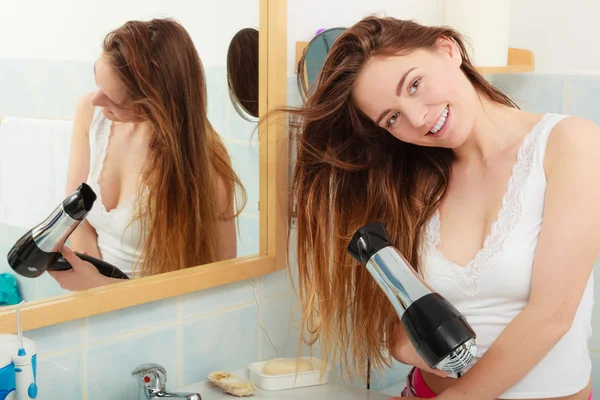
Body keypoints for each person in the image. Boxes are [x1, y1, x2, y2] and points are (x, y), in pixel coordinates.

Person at [286, 16, 599, 400]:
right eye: (393, 117)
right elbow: (401, 315)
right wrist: (402, 344)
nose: (418, 119)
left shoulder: (571, 144)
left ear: (448, 49)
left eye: (414, 84)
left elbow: (553, 316)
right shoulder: (416, 182)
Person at [49, 18, 246, 291]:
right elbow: (75, 216)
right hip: (94, 306)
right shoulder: (91, 115)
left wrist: (100, 288)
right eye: (98, 82)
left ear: (154, 103)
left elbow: (217, 284)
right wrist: (92, 290)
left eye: (114, 101)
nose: (96, 100)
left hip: (156, 317)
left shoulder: (205, 162)